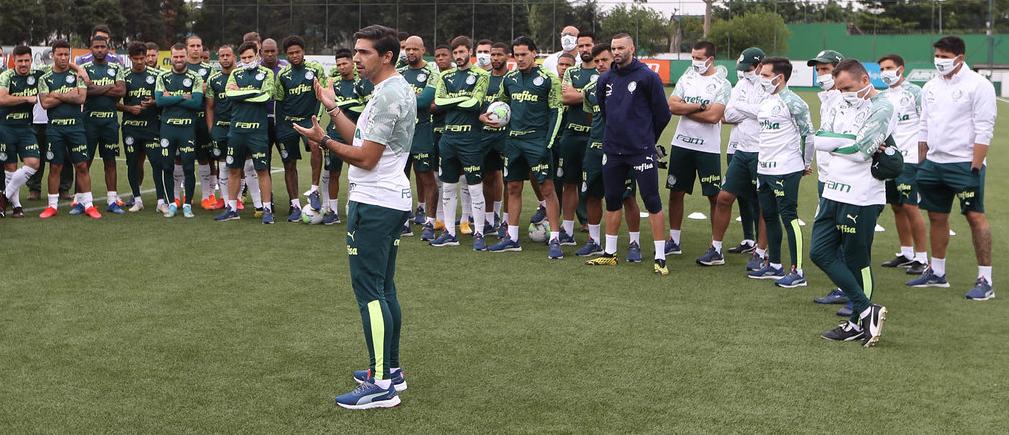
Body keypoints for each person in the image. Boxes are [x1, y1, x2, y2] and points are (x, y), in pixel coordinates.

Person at [294, 24, 416, 410]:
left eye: (364, 53)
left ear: (387, 57)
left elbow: (365, 157)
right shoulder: (391, 90)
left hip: (376, 203)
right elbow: (363, 141)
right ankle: (391, 371)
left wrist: (323, 141)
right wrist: (332, 109)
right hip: (388, 198)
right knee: (385, 288)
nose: (356, 58)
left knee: (370, 293)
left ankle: (381, 384)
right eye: (356, 52)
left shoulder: (387, 95)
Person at [812, 59, 896, 347]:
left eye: (847, 87)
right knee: (819, 252)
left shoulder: (883, 107)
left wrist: (841, 143)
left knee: (857, 259)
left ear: (864, 80)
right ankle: (865, 310)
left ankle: (856, 322)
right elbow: (821, 137)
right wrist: (843, 142)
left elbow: (861, 151)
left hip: (862, 194)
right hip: (832, 188)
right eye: (839, 87)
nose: (843, 92)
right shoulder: (838, 102)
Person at [907, 36, 997, 300]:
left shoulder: (979, 85)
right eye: (937, 55)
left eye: (945, 56)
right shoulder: (931, 86)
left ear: (960, 57)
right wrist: (923, 161)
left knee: (974, 216)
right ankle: (937, 272)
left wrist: (976, 165)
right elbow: (924, 125)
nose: (940, 61)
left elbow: (984, 127)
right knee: (936, 216)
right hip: (933, 163)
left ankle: (985, 280)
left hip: (964, 164)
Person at [584, 33, 671, 274]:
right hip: (612, 150)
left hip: (641, 150)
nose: (617, 52)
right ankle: (610, 253)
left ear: (632, 48)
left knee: (652, 200)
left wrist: (647, 139)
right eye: (614, 48)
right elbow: (605, 110)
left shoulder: (648, 77)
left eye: (621, 47)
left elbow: (663, 114)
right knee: (612, 200)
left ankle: (660, 257)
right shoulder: (605, 79)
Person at [482, 36, 566, 259]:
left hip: (537, 142)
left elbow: (557, 112)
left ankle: (556, 238)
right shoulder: (509, 79)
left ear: (534, 53)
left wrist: (547, 144)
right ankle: (512, 237)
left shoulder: (548, 79)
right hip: (513, 142)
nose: (519, 59)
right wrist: (488, 116)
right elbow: (500, 104)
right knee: (513, 188)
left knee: (547, 189)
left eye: (523, 54)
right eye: (516, 55)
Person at [744, 57, 814, 288]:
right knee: (769, 215)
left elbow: (808, 135)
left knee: (789, 218)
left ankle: (798, 271)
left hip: (786, 169)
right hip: (763, 168)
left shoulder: (794, 102)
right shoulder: (766, 100)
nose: (761, 79)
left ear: (780, 77)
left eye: (765, 75)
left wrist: (806, 163)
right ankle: (774, 265)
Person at [574, 43, 643, 261]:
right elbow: (592, 114)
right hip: (595, 148)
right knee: (592, 194)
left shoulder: (627, 83)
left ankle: (634, 243)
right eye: (597, 61)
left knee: (627, 197)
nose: (600, 64)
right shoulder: (591, 88)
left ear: (613, 58)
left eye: (604, 60)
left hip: (624, 149)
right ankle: (594, 241)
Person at [700, 47, 767, 269]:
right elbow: (727, 114)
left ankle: (761, 252)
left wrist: (743, 109)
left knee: (763, 202)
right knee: (724, 198)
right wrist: (749, 111)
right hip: (741, 150)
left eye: (747, 68)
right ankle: (716, 249)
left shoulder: (769, 84)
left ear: (759, 65)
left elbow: (765, 113)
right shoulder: (740, 85)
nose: (744, 72)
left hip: (763, 151)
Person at [664, 41, 731, 255]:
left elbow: (714, 117)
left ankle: (716, 246)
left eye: (699, 58)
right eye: (693, 57)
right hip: (681, 143)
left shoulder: (723, 84)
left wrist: (686, 109)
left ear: (710, 59)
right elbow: (672, 105)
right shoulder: (687, 77)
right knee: (676, 192)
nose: (695, 62)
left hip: (708, 149)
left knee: (714, 197)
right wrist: (699, 106)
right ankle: (674, 241)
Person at [429, 36, 490, 249]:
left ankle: (480, 234)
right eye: (455, 53)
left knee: (474, 187)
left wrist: (452, 102)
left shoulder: (481, 75)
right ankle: (450, 233)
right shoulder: (445, 76)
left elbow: (476, 103)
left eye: (462, 52)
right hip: (448, 138)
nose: (458, 56)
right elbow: (438, 102)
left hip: (470, 138)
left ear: (470, 52)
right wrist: (461, 100)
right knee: (447, 187)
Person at [877, 54, 929, 275]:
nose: (885, 72)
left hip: (910, 159)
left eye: (889, 67)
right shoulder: (882, 96)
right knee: (896, 206)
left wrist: (923, 158)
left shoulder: (915, 92)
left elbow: (927, 124)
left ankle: (922, 258)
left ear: (901, 68)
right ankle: (906, 253)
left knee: (910, 206)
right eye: (881, 69)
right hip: (891, 158)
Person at [37, 40, 100, 219]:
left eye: (66, 55)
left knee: (81, 165)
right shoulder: (44, 78)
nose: (63, 58)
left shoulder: (78, 75)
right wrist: (67, 95)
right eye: (60, 54)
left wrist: (56, 94)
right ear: (53, 55)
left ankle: (88, 204)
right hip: (54, 128)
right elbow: (45, 103)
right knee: (55, 166)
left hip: (76, 127)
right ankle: (52, 206)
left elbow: (80, 99)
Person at [215, 41, 276, 224]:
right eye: (243, 58)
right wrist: (252, 93)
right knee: (233, 169)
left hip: (257, 131)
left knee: (262, 170)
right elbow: (230, 94)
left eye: (250, 57)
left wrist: (241, 92)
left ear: (257, 55)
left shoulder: (267, 73)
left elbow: (266, 96)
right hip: (237, 131)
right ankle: (232, 208)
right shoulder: (235, 73)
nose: (247, 60)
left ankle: (267, 210)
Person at [317, 48, 373, 225]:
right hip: (335, 133)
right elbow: (328, 106)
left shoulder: (362, 84)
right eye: (338, 64)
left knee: (355, 173)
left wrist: (339, 104)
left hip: (355, 135)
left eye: (345, 63)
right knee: (333, 172)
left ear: (352, 63)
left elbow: (365, 108)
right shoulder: (336, 85)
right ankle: (332, 211)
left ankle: (353, 208)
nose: (342, 67)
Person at [274, 35, 327, 222]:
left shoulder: (316, 69)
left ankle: (314, 190)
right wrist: (280, 127)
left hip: (309, 120)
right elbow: (279, 103)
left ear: (303, 52)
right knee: (289, 163)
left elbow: (322, 96)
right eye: (291, 53)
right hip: (288, 123)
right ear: (286, 55)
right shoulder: (282, 75)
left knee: (315, 146)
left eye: (297, 52)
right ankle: (295, 204)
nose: (295, 55)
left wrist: (316, 121)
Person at [555, 32, 598, 248]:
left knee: (591, 186)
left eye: (587, 45)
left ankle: (594, 233)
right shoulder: (572, 71)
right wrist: (591, 93)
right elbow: (566, 97)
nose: (584, 49)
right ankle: (568, 231)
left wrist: (578, 94)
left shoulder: (602, 71)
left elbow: (576, 96)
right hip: (572, 134)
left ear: (594, 45)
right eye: (581, 46)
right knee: (569, 183)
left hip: (594, 135)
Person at [155, 43, 204, 218]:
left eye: (181, 56)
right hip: (167, 128)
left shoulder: (195, 77)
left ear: (186, 56)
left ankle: (187, 204)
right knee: (167, 166)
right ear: (171, 57)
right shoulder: (163, 76)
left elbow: (197, 103)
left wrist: (172, 97)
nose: (178, 60)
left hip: (187, 129)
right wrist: (183, 96)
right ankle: (172, 203)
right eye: (175, 57)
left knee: (189, 168)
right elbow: (160, 102)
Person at [80, 34, 127, 214]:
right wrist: (109, 87)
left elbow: (121, 90)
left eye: (103, 47)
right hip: (89, 121)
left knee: (110, 161)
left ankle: (112, 200)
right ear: (91, 49)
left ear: (108, 48)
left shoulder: (116, 67)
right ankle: (82, 201)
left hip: (109, 122)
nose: (100, 50)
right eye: (96, 47)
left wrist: (96, 88)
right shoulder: (84, 68)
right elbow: (86, 92)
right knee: (84, 162)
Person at [398, 35, 439, 239]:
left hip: (422, 132)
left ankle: (430, 223)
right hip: (401, 135)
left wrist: (401, 98)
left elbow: (424, 101)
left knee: (427, 178)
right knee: (400, 179)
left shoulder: (432, 71)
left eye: (415, 49)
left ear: (423, 50)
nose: (411, 52)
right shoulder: (400, 72)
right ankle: (403, 221)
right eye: (407, 49)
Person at [118, 42, 163, 213]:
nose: (139, 62)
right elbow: (114, 103)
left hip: (151, 127)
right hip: (130, 127)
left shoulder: (157, 75)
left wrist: (154, 102)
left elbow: (164, 99)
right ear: (129, 58)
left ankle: (161, 201)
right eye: (135, 59)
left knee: (156, 162)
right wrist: (129, 108)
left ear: (147, 57)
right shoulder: (123, 76)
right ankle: (137, 199)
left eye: (142, 58)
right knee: (133, 164)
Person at [0, 45, 43, 218]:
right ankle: (17, 206)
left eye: (27, 60)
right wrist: (26, 98)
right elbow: (2, 99)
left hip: (26, 128)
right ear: (13, 61)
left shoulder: (38, 75)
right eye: (20, 61)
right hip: (5, 127)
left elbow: (59, 65)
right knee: (10, 169)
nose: (23, 64)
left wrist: (79, 69)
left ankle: (3, 196)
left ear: (32, 60)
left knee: (33, 163)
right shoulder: (6, 75)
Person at [476, 41, 509, 239]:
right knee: (487, 176)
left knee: (509, 179)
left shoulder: (512, 79)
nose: (495, 58)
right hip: (485, 135)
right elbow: (477, 104)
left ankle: (505, 220)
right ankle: (490, 219)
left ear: (507, 57)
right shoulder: (483, 79)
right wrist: (481, 116)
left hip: (506, 136)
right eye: (493, 55)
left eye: (499, 55)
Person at [184, 35, 218, 211]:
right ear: (186, 48)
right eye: (192, 45)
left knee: (207, 158)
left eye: (198, 45)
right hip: (183, 120)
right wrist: (199, 89)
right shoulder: (181, 67)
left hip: (203, 119)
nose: (196, 49)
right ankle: (180, 196)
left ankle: (207, 196)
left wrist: (189, 91)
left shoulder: (209, 69)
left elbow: (211, 91)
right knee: (180, 158)